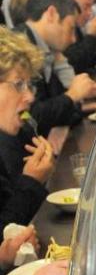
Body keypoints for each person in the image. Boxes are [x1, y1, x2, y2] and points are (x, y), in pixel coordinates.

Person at [15, 0, 96, 139]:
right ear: (51, 14)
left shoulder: (45, 48)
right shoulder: (19, 50)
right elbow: (28, 117)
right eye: (71, 28)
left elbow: (64, 112)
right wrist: (72, 95)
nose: (73, 38)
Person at [0, 26, 54, 227]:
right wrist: (33, 181)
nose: (30, 97)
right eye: (18, 85)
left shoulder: (15, 137)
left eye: (28, 85)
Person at [63, 0, 96, 75]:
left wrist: (94, 37)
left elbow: (93, 64)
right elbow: (75, 65)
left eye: (91, 7)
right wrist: (91, 36)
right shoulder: (60, 30)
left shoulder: (77, 28)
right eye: (86, 7)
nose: (90, 13)